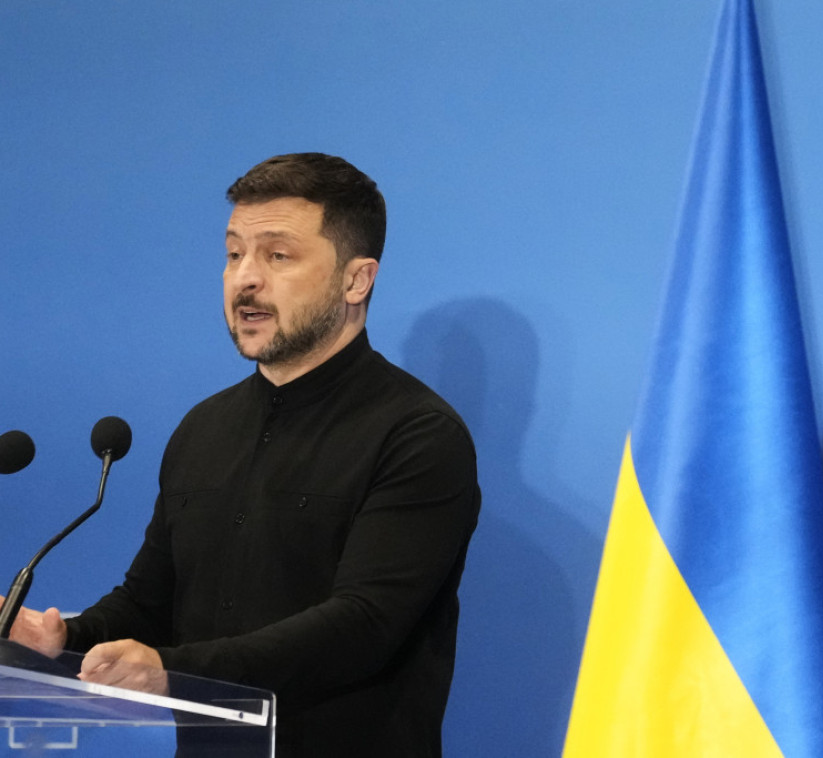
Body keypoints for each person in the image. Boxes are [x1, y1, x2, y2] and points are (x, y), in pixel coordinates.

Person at [9, 153, 481, 756]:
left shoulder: (418, 434)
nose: (245, 279)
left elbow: (363, 626)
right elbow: (150, 603)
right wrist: (61, 639)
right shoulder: (204, 428)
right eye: (234, 254)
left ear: (356, 280)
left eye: (277, 256)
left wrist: (169, 670)